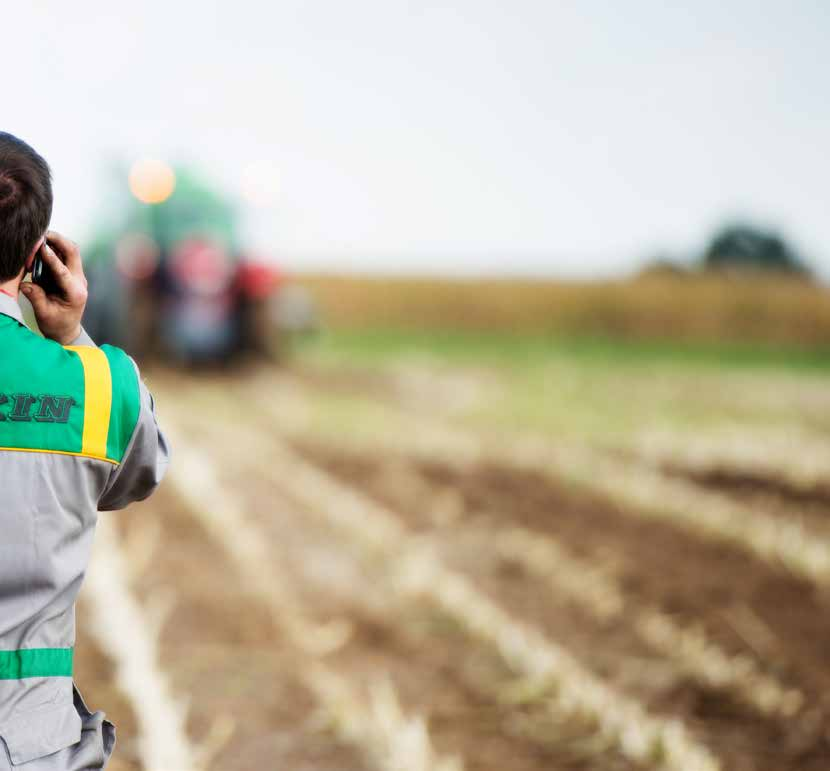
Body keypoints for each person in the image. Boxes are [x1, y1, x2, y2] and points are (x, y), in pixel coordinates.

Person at [0, 132, 169, 769]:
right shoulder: (102, 384)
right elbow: (138, 475)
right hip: (29, 743)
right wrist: (74, 335)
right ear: (36, 254)